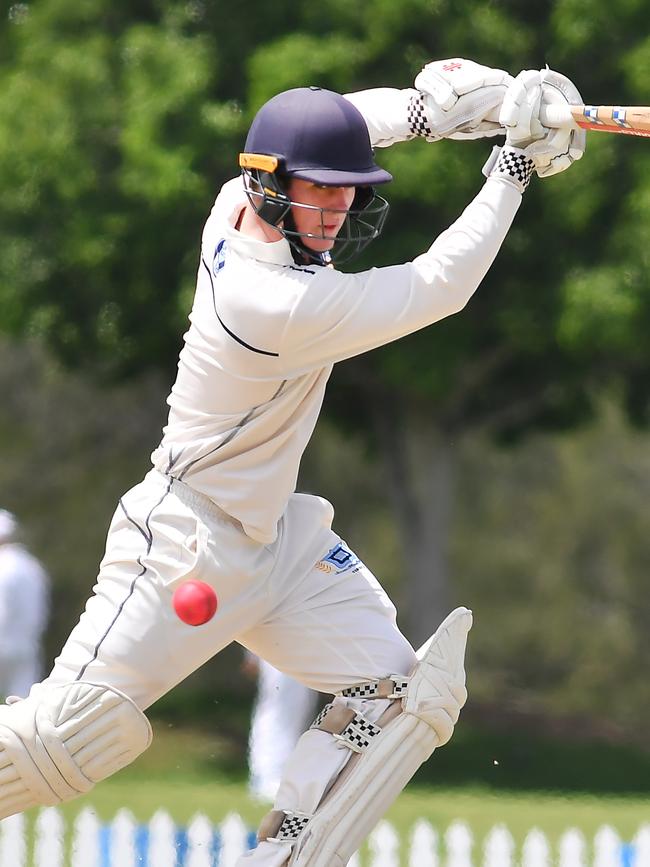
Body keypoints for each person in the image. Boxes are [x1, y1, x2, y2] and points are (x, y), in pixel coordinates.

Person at [0, 60, 584, 865]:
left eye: (349, 189)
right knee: (61, 741)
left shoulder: (238, 198)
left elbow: (342, 120)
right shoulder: (271, 305)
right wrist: (512, 166)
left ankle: (290, 852)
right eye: (324, 191)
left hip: (277, 543)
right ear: (273, 186)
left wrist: (445, 109)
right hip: (184, 540)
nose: (341, 206)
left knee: (411, 696)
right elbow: (440, 285)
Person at [244, 652, 319, 803]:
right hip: (283, 644)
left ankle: (286, 778)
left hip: (303, 646)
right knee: (280, 709)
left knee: (300, 709)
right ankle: (266, 778)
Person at [0, 510, 50, 701]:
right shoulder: (32, 565)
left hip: (4, 640)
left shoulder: (3, 566)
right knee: (23, 703)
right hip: (27, 644)